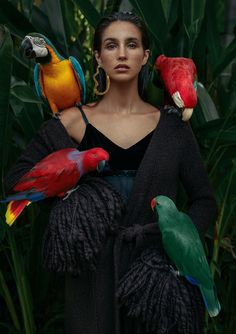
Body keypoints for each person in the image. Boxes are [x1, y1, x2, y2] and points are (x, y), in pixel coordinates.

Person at [4, 11, 217, 334]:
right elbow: (17, 178)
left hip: (157, 283)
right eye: (110, 45)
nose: (121, 53)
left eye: (131, 44)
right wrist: (80, 215)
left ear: (145, 57)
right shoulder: (69, 123)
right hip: (92, 279)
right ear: (97, 57)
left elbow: (204, 200)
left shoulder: (173, 127)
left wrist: (173, 249)